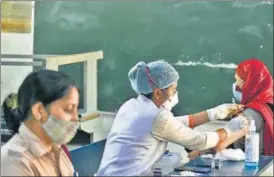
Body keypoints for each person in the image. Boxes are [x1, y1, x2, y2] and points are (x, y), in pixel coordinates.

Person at [96, 60, 247, 176]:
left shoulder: (131, 105)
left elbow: (176, 124)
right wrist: (229, 129)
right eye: (173, 89)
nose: (176, 93)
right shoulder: (157, 117)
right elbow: (199, 141)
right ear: (157, 92)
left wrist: (215, 113)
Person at [188, 58, 273, 160]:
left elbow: (222, 141)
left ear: (251, 83)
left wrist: (199, 151)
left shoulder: (252, 112)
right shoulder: (266, 105)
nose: (236, 85)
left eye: (239, 81)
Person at [1, 70, 80, 176]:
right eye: (68, 109)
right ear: (39, 111)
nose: (76, 118)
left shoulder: (58, 150)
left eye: (76, 110)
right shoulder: (14, 161)